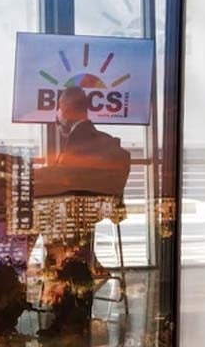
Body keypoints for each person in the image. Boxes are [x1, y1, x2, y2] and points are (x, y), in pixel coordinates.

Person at [35, 86, 131, 337]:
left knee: (51, 237)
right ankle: (68, 304)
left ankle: (65, 310)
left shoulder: (81, 138)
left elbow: (66, 179)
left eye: (59, 108)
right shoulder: (95, 137)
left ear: (66, 107)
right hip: (87, 212)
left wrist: (34, 178)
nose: (58, 115)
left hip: (76, 213)